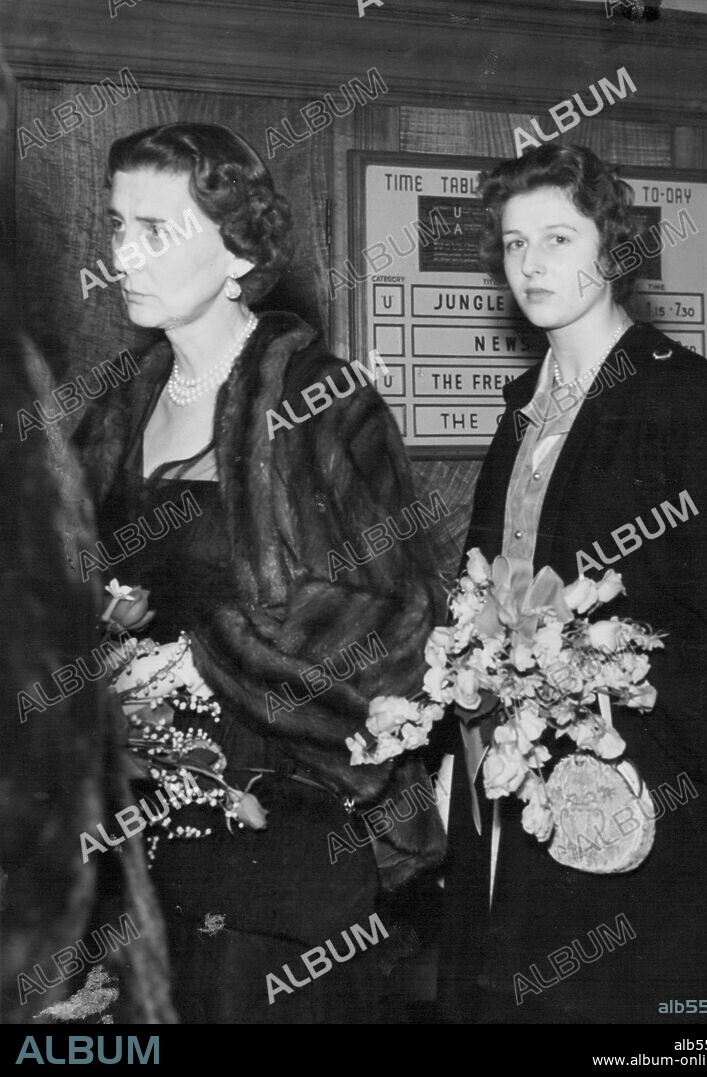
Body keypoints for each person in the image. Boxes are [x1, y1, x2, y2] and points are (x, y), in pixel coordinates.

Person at [76, 122, 445, 1024]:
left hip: (282, 828)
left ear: (239, 247)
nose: (124, 254)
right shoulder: (115, 408)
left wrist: (208, 654)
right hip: (137, 828)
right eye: (117, 225)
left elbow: (403, 625)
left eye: (155, 229)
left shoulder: (320, 400)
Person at [437, 144, 707, 1024]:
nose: (532, 264)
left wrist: (613, 710)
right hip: (514, 796)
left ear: (613, 251)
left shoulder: (686, 402)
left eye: (558, 237)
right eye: (514, 245)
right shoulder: (525, 408)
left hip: (643, 805)